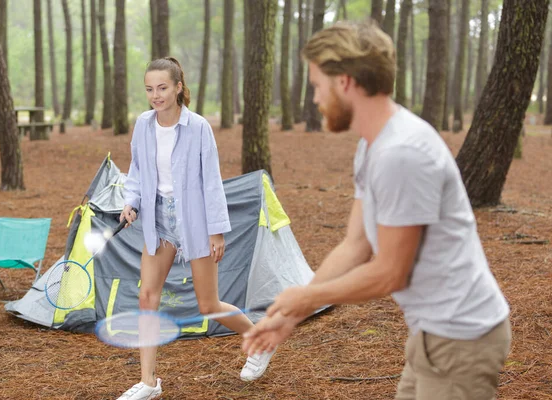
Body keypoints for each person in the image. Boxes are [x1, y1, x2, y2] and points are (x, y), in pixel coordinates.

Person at [242, 21, 511, 400]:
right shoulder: (374, 146)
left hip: (461, 338)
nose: (315, 99)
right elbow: (355, 245)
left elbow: (390, 274)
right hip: (432, 336)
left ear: (345, 82)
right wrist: (290, 315)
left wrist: (305, 298)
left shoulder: (402, 153)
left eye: (318, 85)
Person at [118, 57, 275, 400]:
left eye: (162, 88)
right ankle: (148, 382)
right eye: (149, 89)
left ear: (177, 87)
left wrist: (216, 230)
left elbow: (212, 182)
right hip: (157, 220)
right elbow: (137, 171)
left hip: (194, 220)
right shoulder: (143, 125)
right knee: (147, 296)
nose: (155, 95)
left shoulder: (198, 127)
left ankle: (261, 343)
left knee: (208, 305)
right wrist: (131, 202)